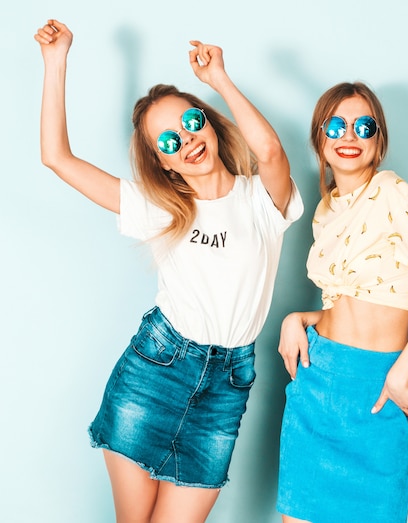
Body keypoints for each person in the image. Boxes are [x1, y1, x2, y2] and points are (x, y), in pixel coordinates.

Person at [34, 19, 303, 523]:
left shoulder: (261, 201)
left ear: (209, 120)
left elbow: (269, 152)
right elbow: (57, 158)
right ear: (164, 164)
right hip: (155, 371)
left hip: (226, 388)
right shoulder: (160, 207)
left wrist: (219, 79)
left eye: (191, 122)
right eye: (169, 142)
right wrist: (56, 61)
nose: (187, 140)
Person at [276, 82, 408, 523]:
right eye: (335, 126)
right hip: (317, 382)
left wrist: (400, 375)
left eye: (364, 126)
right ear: (320, 140)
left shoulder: (392, 191)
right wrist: (297, 317)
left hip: (379, 387)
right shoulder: (325, 211)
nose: (349, 136)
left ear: (379, 141)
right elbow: (350, 301)